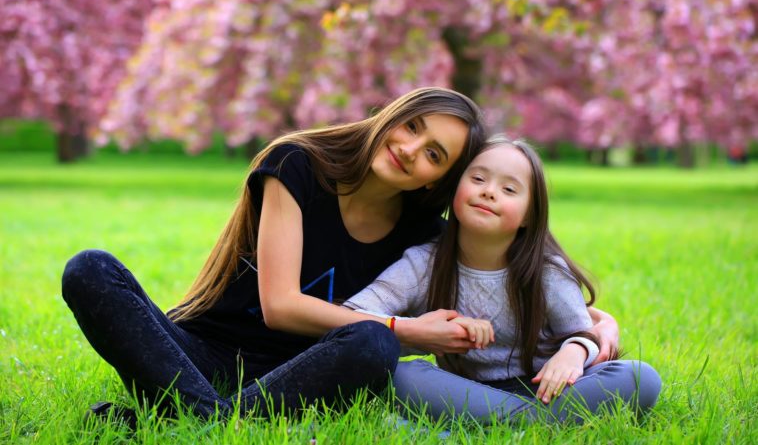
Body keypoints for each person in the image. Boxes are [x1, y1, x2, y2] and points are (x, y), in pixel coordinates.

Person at [61, 87, 492, 422]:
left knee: (374, 342)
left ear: (437, 181)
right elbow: (281, 306)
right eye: (412, 126)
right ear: (391, 116)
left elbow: (521, 268)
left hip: (300, 377)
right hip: (197, 353)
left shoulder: (425, 236)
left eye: (434, 155)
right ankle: (217, 419)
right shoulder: (298, 165)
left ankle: (188, 417)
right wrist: (408, 329)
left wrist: (560, 344)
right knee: (90, 268)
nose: (410, 149)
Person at [344, 135, 661, 423]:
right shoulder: (423, 264)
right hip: (464, 392)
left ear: (528, 215)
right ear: (456, 188)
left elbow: (582, 334)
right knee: (402, 374)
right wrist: (425, 328)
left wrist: (574, 351)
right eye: (478, 178)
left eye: (509, 189)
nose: (488, 192)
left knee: (639, 378)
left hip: (548, 390)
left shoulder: (546, 270)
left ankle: (495, 425)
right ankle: (535, 424)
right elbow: (355, 316)